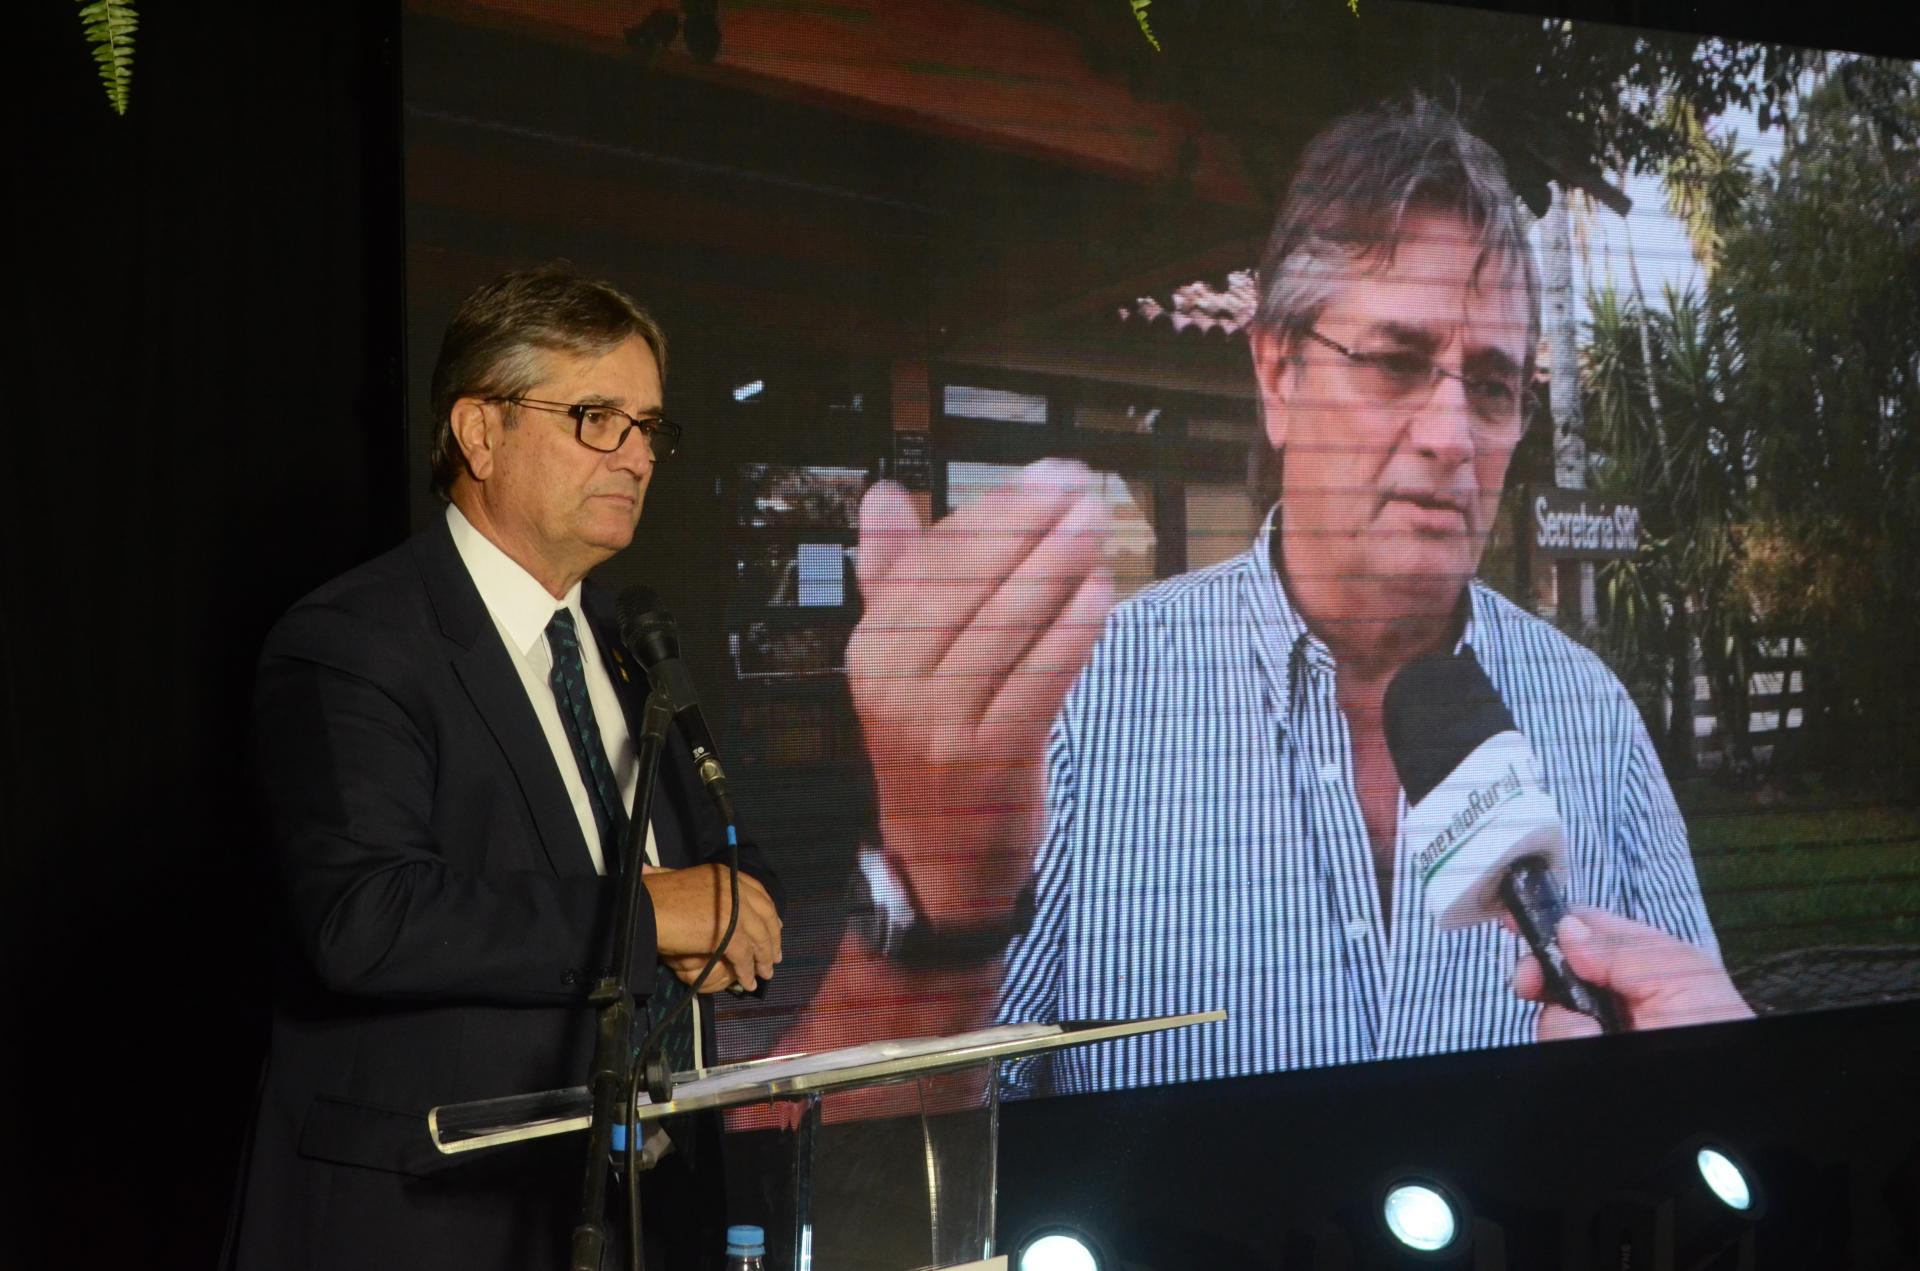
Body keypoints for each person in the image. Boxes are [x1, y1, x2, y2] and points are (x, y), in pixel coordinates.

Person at [787, 97, 1749, 1094]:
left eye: (1493, 385)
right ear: (1278, 372)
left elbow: (1694, 1090)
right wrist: (938, 895)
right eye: (1396, 362)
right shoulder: (1083, 707)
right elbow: (894, 1146)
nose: (1452, 435)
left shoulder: (1590, 716)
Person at [226, 266, 784, 1269]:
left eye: (649, 427)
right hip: (430, 1224)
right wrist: (652, 916)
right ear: (479, 433)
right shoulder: (353, 640)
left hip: (641, 1220)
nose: (637, 456)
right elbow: (368, 918)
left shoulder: (632, 646)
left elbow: (718, 875)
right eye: (597, 418)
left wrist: (737, 906)